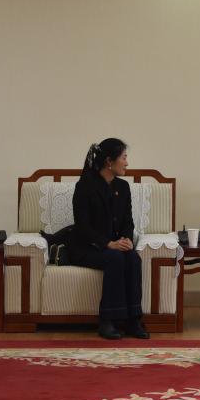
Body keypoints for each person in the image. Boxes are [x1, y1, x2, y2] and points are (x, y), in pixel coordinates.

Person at [70, 138, 149, 341]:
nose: (127, 163)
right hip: (87, 247)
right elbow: (83, 227)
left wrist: (126, 239)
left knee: (132, 258)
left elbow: (128, 221)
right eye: (124, 158)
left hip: (114, 246)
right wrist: (108, 243)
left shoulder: (123, 187)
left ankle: (133, 320)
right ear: (109, 161)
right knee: (115, 258)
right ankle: (107, 320)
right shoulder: (84, 187)